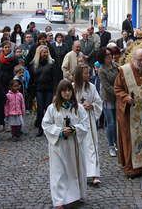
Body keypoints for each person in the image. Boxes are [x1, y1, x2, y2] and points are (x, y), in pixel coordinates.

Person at [42, 80, 88, 209]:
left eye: (69, 90)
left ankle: (75, 196)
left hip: (74, 146)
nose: (67, 93)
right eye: (64, 90)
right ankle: (59, 200)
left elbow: (85, 124)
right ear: (59, 92)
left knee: (74, 170)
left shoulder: (78, 108)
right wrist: (59, 131)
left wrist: (74, 129)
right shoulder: (52, 108)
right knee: (59, 172)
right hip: (58, 146)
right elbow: (46, 125)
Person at [114, 48, 142, 178]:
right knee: (130, 139)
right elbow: (117, 88)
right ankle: (131, 168)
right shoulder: (124, 71)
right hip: (130, 113)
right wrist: (126, 97)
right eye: (139, 60)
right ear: (133, 59)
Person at [74, 64, 102, 185]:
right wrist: (79, 107)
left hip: (89, 119)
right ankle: (81, 173)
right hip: (77, 120)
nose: (88, 75)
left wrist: (92, 106)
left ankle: (95, 173)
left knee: (92, 146)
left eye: (89, 73)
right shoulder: (73, 87)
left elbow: (98, 101)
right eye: (86, 73)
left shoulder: (91, 87)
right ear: (80, 75)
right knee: (79, 146)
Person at [29, 45, 55, 137]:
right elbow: (31, 79)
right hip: (38, 89)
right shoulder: (34, 64)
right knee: (40, 109)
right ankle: (40, 127)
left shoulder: (51, 63)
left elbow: (54, 78)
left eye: (46, 52)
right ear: (39, 53)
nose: (45, 54)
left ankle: (49, 127)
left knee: (48, 109)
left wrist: (55, 92)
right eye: (43, 52)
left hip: (49, 89)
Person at [98, 48, 119, 157]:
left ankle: (116, 142)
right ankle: (111, 145)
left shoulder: (116, 65)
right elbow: (106, 87)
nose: (110, 56)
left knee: (117, 122)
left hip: (117, 98)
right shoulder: (101, 70)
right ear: (103, 58)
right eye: (107, 55)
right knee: (111, 123)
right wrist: (119, 92)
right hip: (108, 99)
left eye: (110, 54)